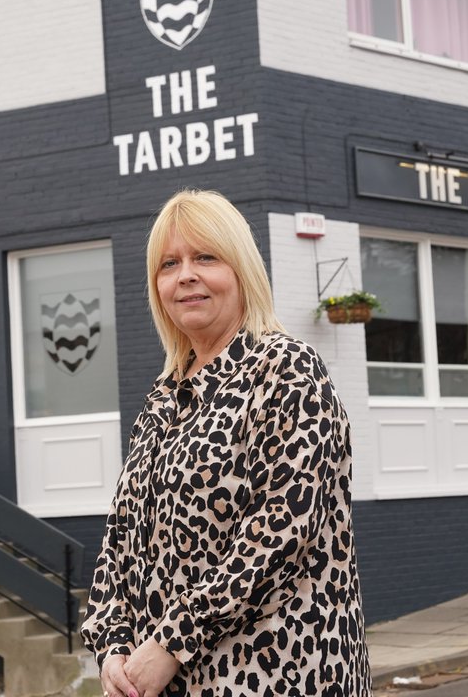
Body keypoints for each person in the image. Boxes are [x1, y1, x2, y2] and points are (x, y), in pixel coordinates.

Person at [81, 189, 371, 697]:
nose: (186, 274)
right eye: (169, 263)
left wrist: (169, 645)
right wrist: (113, 646)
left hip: (276, 675)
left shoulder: (288, 371)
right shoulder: (165, 393)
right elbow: (122, 534)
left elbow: (278, 536)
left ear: (241, 270)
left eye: (206, 257)